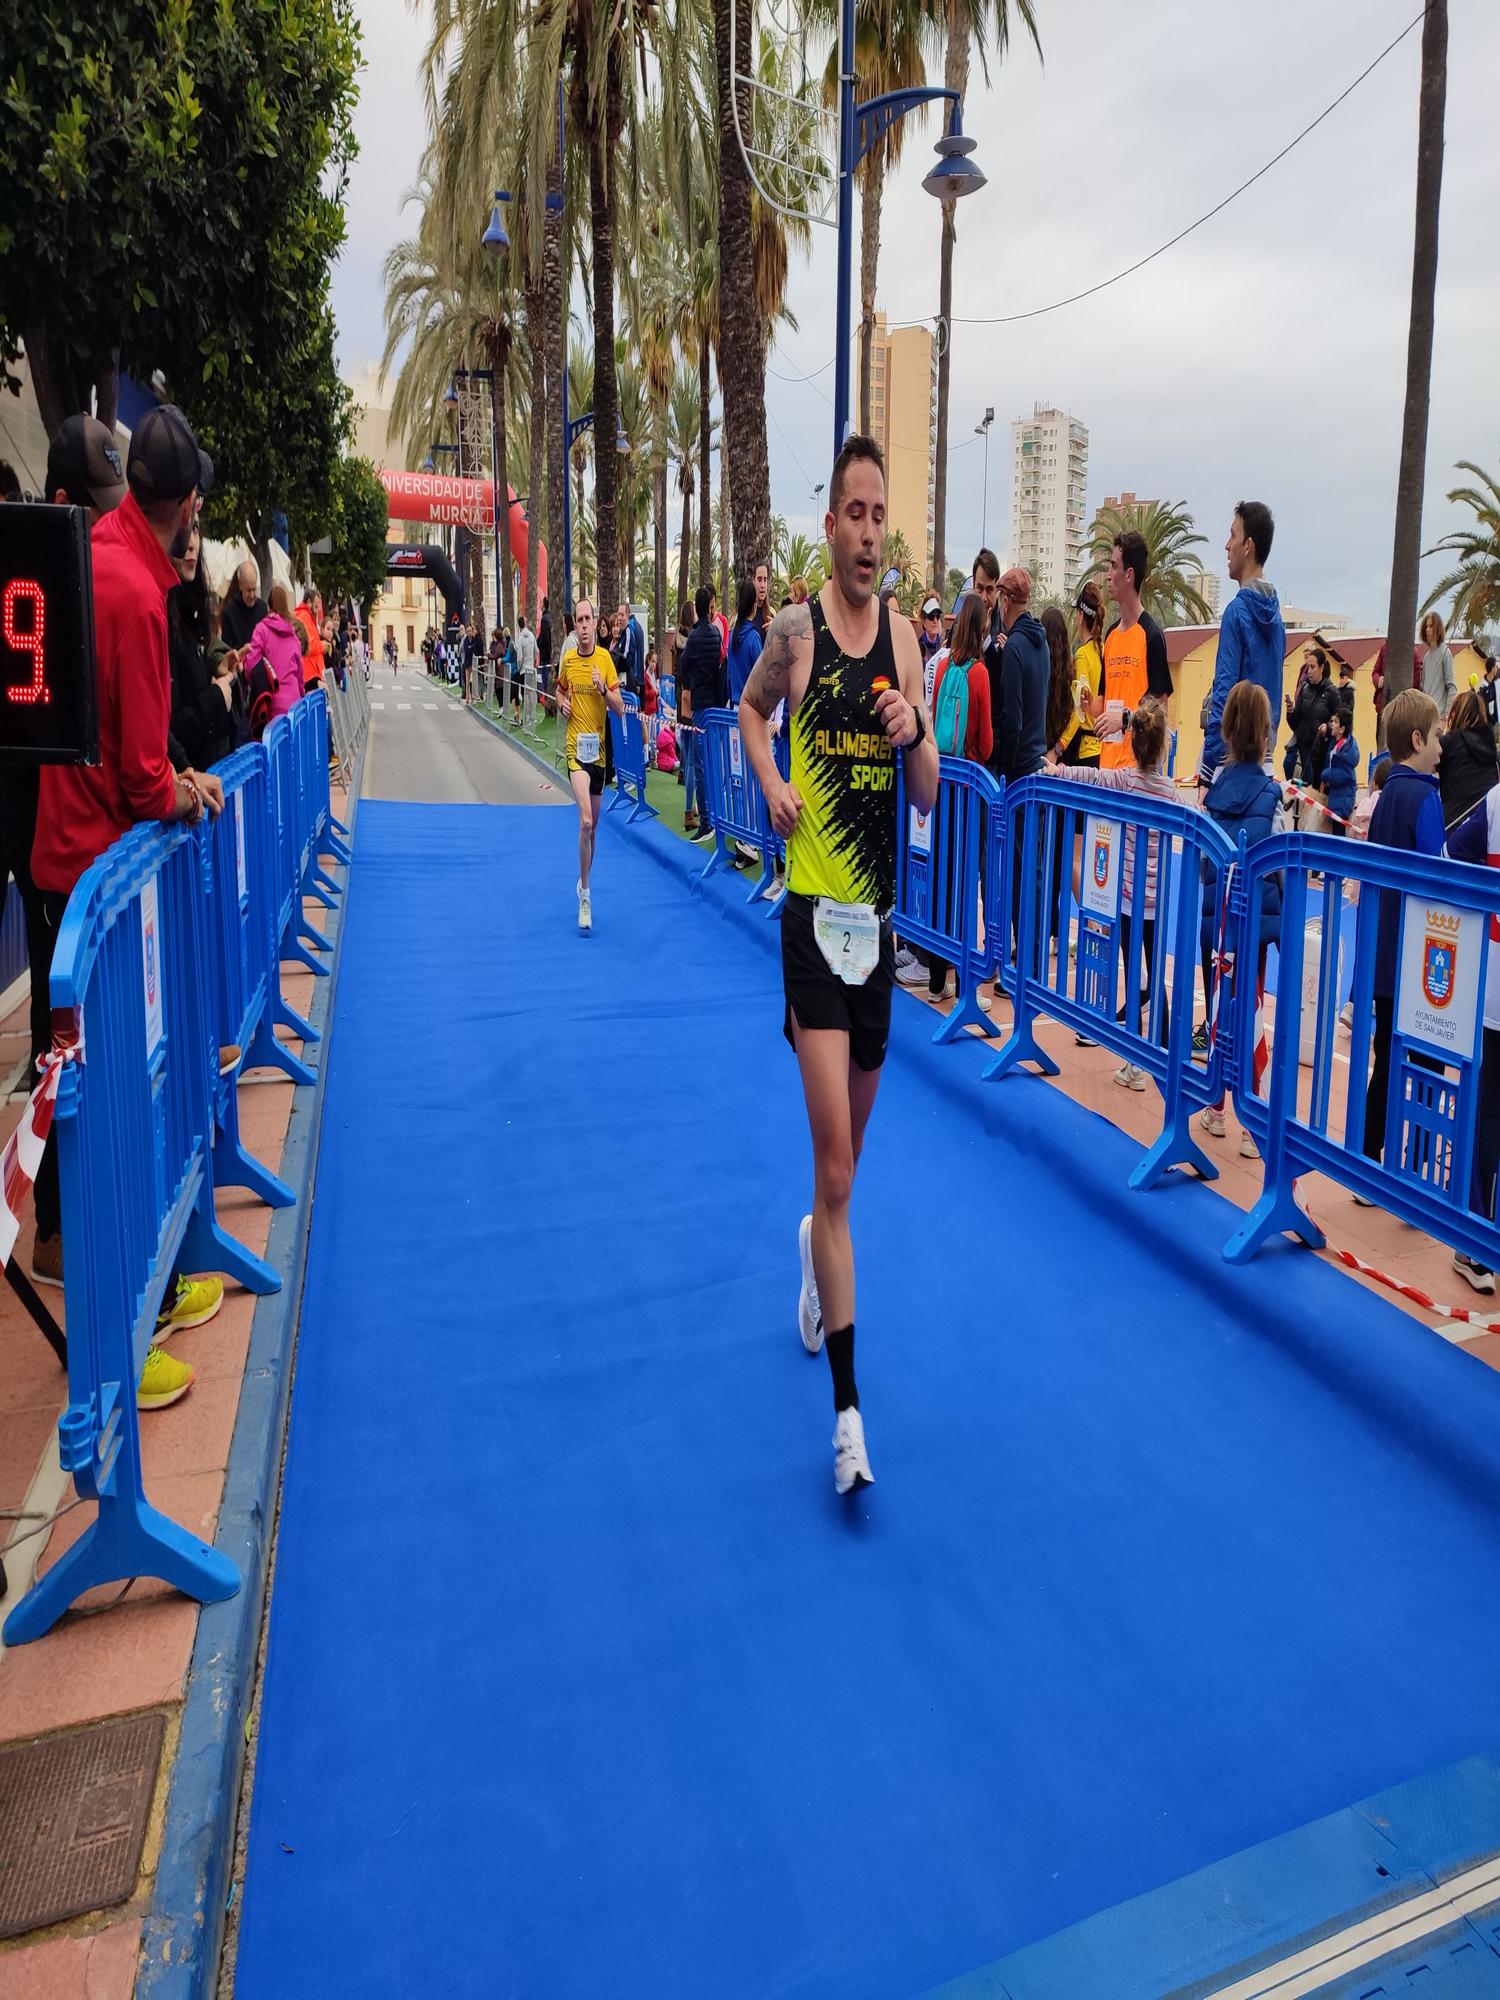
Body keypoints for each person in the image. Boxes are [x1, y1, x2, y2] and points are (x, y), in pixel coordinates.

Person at [736, 433, 937, 1496]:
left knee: (843, 1168)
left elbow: (932, 793)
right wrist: (770, 779)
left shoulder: (904, 642)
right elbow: (748, 715)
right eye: (851, 514)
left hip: (878, 931)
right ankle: (850, 1420)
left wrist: (914, 731)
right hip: (815, 922)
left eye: (878, 515)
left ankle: (815, 1245)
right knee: (844, 1170)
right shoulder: (796, 632)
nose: (866, 533)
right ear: (829, 526)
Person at [30, 402, 226, 1411]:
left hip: (73, 867)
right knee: (108, 1112)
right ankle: (120, 1335)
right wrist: (184, 788)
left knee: (122, 1102)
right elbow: (148, 774)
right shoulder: (136, 596)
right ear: (185, 505)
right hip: (91, 881)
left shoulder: (99, 554)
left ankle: (146, 1289)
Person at [1044, 698, 1177, 1089]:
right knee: (1155, 976)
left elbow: (1090, 778)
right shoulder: (1169, 791)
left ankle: (1137, 1061)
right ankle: (1163, 1052)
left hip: (1128, 901)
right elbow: (1195, 815)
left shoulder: (1125, 779)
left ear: (1133, 745)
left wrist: (1056, 769)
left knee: (1135, 973)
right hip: (1155, 903)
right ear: (1164, 749)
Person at [1196, 681, 1285, 1155]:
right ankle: (1253, 1119)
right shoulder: (1273, 797)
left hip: (1217, 923)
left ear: (1226, 732)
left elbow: (1202, 865)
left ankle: (1215, 1105)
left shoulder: (1212, 796)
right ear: (1266, 734)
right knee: (1249, 1010)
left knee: (1219, 1005)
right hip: (1251, 927)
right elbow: (1282, 871)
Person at [1361, 686, 1444, 1184]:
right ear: (1417, 738)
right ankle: (1416, 1170)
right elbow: (1438, 869)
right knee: (1428, 1063)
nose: (1441, 746)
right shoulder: (1425, 797)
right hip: (1420, 955)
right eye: (1436, 736)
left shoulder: (1386, 795)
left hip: (1384, 953)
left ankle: (1370, 1156)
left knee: (1386, 1059)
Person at [897, 589, 992, 1000]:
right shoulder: (978, 673)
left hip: (943, 780)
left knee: (940, 877)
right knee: (963, 885)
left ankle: (936, 977)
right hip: (968, 784)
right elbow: (985, 741)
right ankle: (962, 983)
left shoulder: (945, 664)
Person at [1198, 501, 1284, 786]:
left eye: (1232, 535)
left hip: (1230, 764)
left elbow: (1224, 693)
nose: (1226, 545)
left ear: (1247, 546)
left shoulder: (1236, 613)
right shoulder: (1278, 621)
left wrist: (1208, 769)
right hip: (1265, 765)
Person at [555, 597, 624, 934]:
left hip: (598, 755)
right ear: (575, 625)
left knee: (593, 829)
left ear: (595, 624)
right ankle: (586, 895)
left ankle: (583, 883)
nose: (583, 625)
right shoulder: (568, 660)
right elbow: (558, 691)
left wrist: (603, 690)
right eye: (578, 620)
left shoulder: (605, 661)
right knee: (584, 821)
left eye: (587, 619)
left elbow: (621, 708)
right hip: (575, 753)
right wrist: (563, 704)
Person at [1091, 530, 1170, 770]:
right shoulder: (1111, 635)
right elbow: (1102, 706)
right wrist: (1087, 706)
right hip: (1107, 771)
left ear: (1129, 575)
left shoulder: (1151, 635)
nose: (1107, 576)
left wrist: (1125, 719)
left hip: (1137, 774)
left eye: (1113, 567)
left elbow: (1161, 715)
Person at [167, 520, 238, 771]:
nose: (191, 544)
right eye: (182, 528)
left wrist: (216, 663)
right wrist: (216, 698)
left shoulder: (191, 612)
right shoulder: (160, 615)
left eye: (195, 528)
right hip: (185, 789)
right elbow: (169, 728)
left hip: (202, 780)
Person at [679, 584, 725, 839]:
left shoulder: (694, 639)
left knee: (699, 765)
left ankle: (706, 821)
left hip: (699, 708)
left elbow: (683, 669)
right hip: (716, 707)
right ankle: (717, 817)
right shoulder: (716, 635)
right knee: (714, 763)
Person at [242, 581, 309, 733]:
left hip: (272, 703)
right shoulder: (293, 636)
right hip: (294, 704)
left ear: (268, 606)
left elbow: (251, 664)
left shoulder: (261, 629)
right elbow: (300, 676)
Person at [1437, 688, 1498, 831]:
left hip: (1454, 827)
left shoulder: (1447, 743)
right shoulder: (1492, 750)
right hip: (1487, 826)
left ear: (1455, 713)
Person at [1320, 706, 1358, 834]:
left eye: (1335, 722)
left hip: (1342, 802)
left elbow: (1342, 774)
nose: (1332, 724)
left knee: (1338, 834)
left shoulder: (1346, 751)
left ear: (1342, 729)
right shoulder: (1338, 744)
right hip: (1336, 797)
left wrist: (1325, 774)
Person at [727, 578, 763, 705]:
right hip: (749, 707)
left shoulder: (732, 636)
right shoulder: (753, 637)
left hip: (732, 706)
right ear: (754, 605)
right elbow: (760, 677)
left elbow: (729, 675)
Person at [220, 559, 268, 650]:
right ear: (240, 585)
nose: (252, 595)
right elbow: (226, 648)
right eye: (248, 590)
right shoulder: (228, 612)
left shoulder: (262, 608)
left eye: (254, 589)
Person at [1419, 611, 1456, 719]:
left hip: (1439, 717)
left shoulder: (1445, 653)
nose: (1427, 629)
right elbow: (1423, 688)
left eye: (1431, 626)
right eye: (1426, 626)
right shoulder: (1426, 657)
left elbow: (1452, 687)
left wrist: (1446, 715)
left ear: (1438, 628)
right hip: (1425, 717)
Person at [295, 588, 327, 687]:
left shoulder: (304, 615)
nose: (317, 610)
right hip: (310, 674)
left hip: (311, 673)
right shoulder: (304, 616)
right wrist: (323, 646)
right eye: (316, 606)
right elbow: (309, 645)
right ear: (309, 602)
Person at [917, 593, 945, 699]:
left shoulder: (945, 647)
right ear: (923, 621)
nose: (935, 620)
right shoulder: (918, 649)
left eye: (937, 616)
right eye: (931, 616)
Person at [515, 613, 538, 720]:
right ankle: (532, 715)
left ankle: (527, 717)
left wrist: (519, 667)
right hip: (531, 669)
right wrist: (532, 662)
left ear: (519, 625)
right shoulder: (532, 635)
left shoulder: (520, 639)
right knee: (532, 693)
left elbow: (519, 657)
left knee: (525, 694)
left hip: (523, 670)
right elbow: (536, 651)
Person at [538, 595, 553, 703]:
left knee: (545, 680)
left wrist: (539, 644)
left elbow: (544, 639)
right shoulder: (551, 618)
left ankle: (547, 701)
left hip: (545, 657)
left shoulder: (544, 620)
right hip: (549, 655)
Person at [752, 560, 772, 638]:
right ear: (753, 581)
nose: (763, 585)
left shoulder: (771, 613)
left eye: (765, 580)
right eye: (759, 580)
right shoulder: (745, 614)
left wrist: (775, 629)